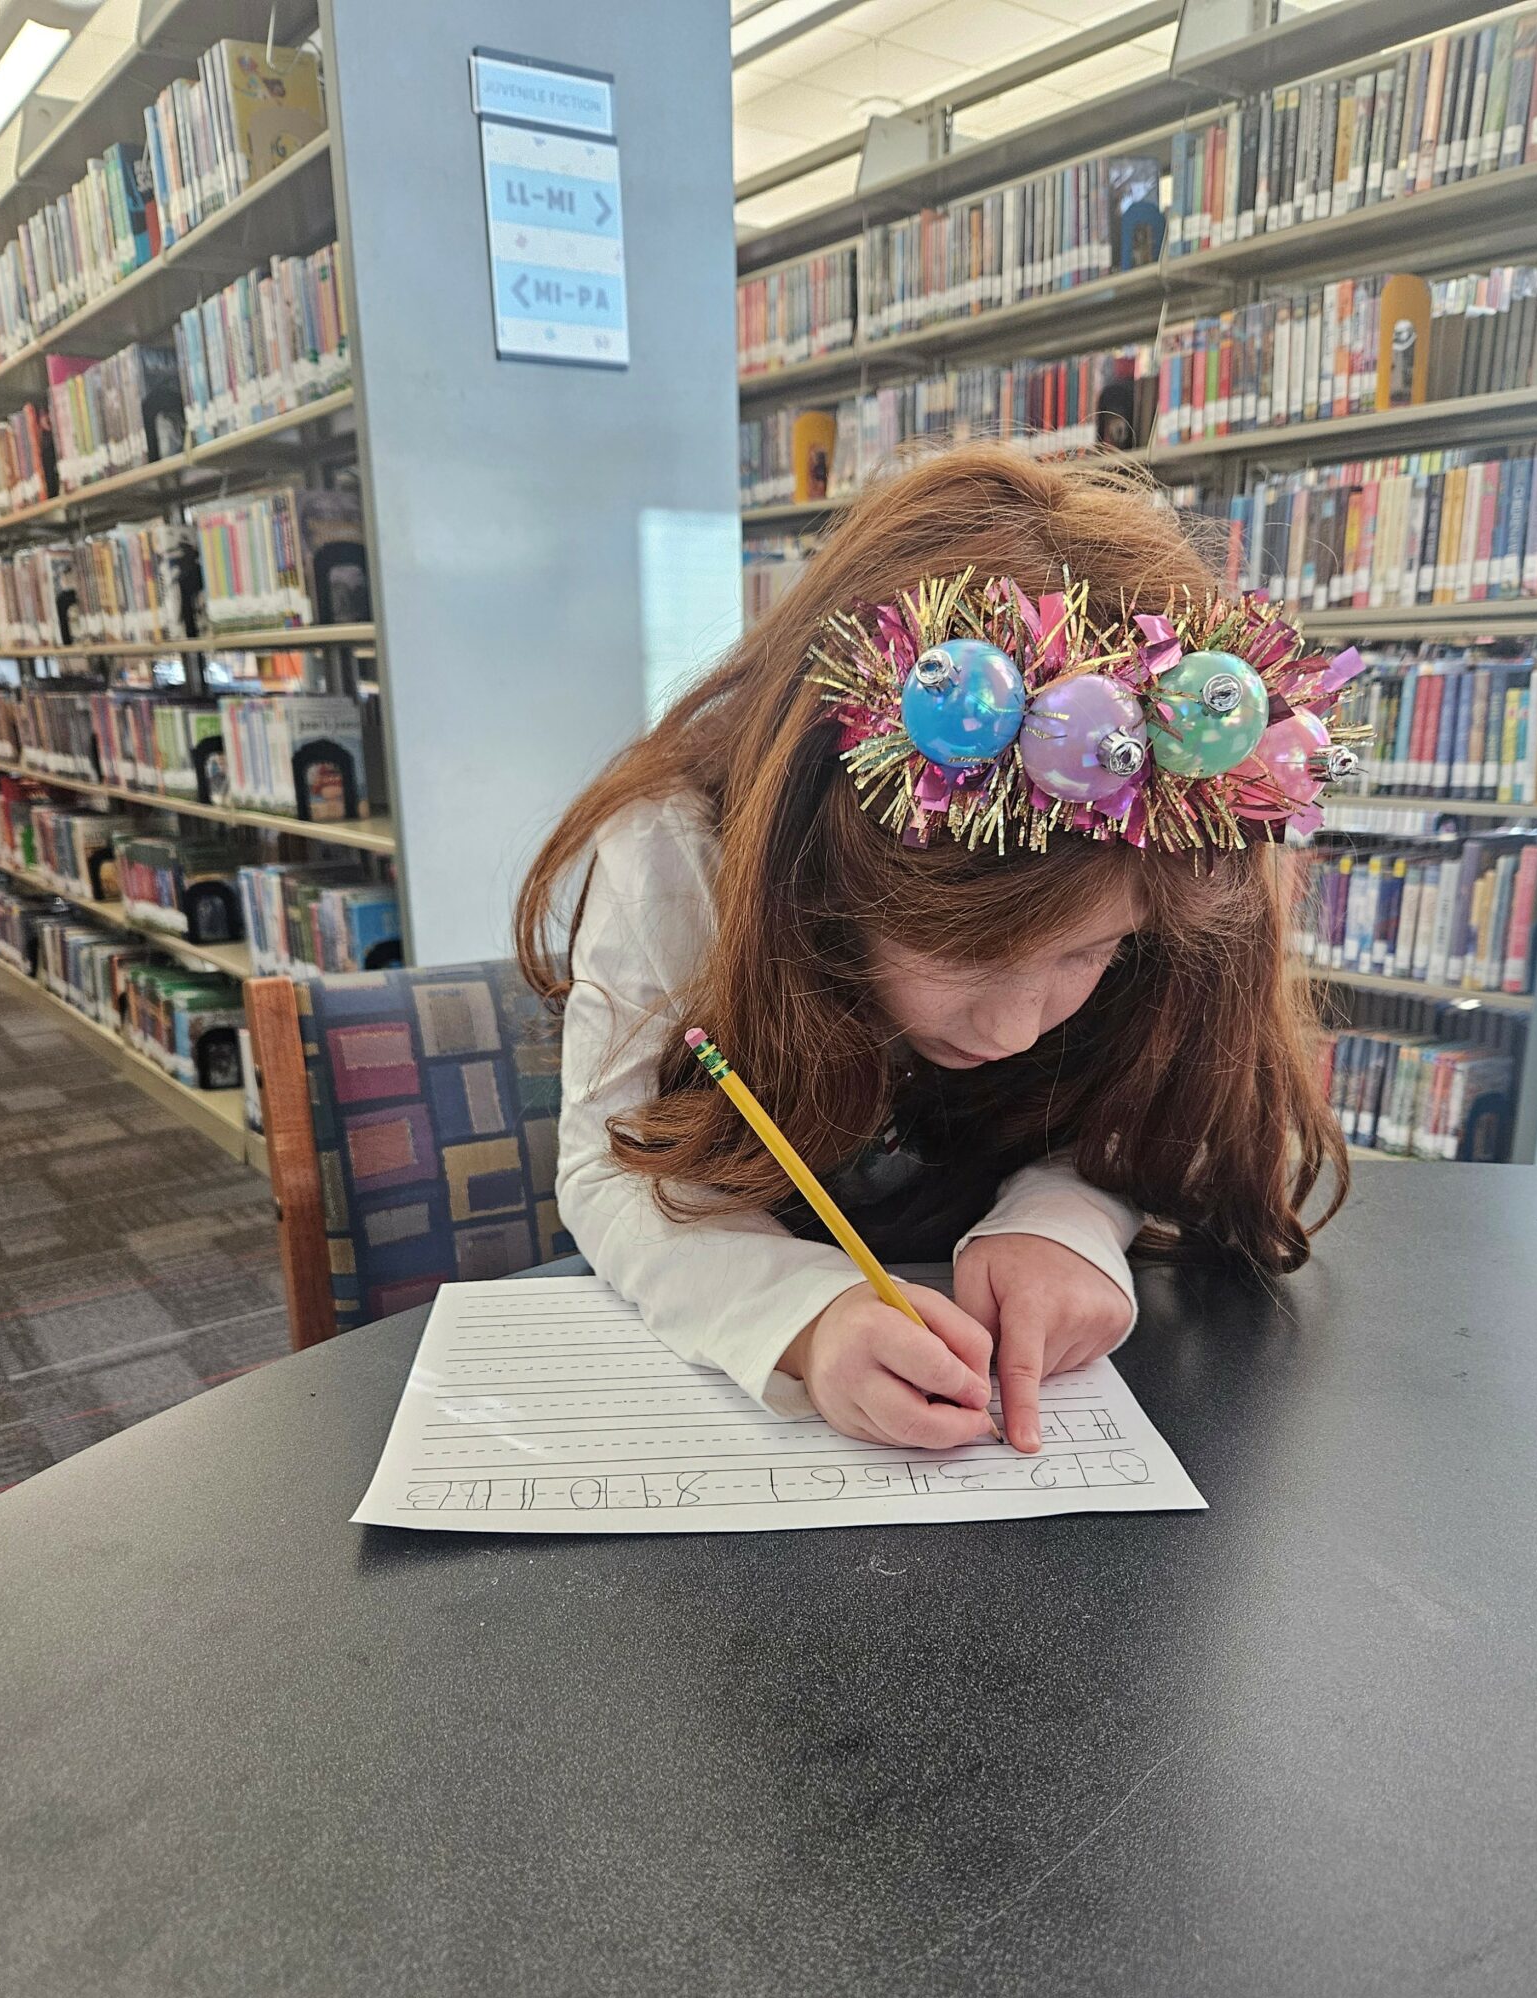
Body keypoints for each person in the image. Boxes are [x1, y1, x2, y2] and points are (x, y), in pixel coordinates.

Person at [516, 444, 1361, 1452]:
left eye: (1089, 954)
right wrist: (802, 1316)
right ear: (821, 867)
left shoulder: (1172, 857)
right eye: (967, 956)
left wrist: (1068, 1216)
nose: (1014, 1029)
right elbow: (612, 1167)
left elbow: (1176, 1100)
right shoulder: (675, 852)